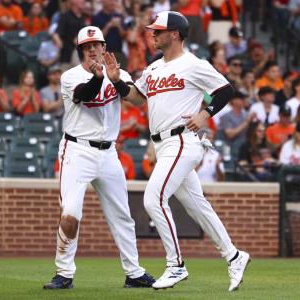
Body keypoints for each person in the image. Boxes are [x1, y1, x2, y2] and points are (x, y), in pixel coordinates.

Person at [103, 11, 250, 292]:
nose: (153, 34)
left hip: (181, 140)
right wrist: (117, 81)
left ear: (175, 34)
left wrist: (205, 114)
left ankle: (176, 265)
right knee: (198, 206)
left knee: (153, 199)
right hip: (162, 144)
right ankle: (234, 255)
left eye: (158, 31)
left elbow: (225, 90)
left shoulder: (193, 64)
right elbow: (136, 98)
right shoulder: (154, 67)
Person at [43, 25, 155, 290]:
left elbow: (138, 101)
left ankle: (134, 272)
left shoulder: (119, 73)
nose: (93, 49)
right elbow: (84, 95)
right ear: (81, 50)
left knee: (122, 215)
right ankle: (64, 273)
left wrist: (115, 80)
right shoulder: (70, 76)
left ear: (105, 47)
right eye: (87, 46)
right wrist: (99, 77)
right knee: (71, 213)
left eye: (97, 45)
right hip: (77, 150)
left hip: (108, 153)